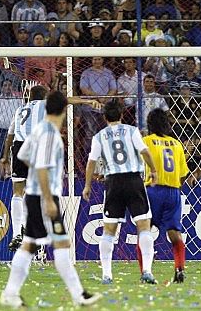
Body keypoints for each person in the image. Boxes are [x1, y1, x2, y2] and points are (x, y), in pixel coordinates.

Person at [0, 91, 102, 308]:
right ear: (64, 110)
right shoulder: (50, 134)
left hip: (36, 197)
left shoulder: (38, 130)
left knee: (30, 245)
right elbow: (44, 167)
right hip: (44, 198)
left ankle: (11, 293)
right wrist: (47, 198)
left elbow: (23, 155)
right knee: (59, 243)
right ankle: (78, 295)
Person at [82, 100, 159, 285]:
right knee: (143, 226)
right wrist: (154, 171)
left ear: (105, 117)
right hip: (133, 180)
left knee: (109, 230)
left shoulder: (99, 136)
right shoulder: (132, 131)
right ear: (122, 115)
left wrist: (87, 185)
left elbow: (91, 162)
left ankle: (107, 275)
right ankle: (147, 271)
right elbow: (144, 151)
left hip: (113, 182)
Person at [142, 108, 189, 283]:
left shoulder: (146, 141)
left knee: (144, 231)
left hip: (153, 190)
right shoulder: (177, 144)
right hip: (173, 191)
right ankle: (179, 268)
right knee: (175, 233)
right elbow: (183, 173)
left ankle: (145, 271)